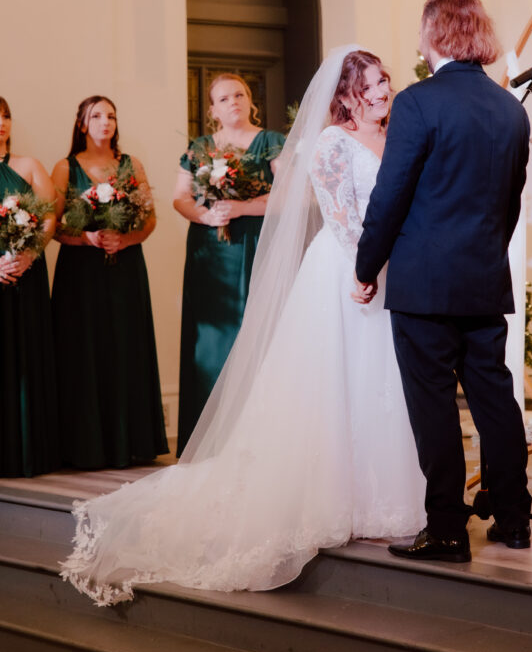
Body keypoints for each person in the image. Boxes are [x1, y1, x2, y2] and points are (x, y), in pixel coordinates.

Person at [60, 48, 425, 604]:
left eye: (386, 82)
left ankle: (384, 496)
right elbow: (339, 212)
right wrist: (365, 268)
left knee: (382, 382)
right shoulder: (330, 142)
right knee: (337, 382)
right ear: (348, 93)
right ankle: (330, 496)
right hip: (348, 270)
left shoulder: (398, 136)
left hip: (390, 271)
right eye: (373, 84)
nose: (384, 91)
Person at [355, 0, 532, 560]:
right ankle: (513, 519)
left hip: (425, 285)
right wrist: (483, 255)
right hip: (483, 280)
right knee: (496, 403)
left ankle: (450, 530)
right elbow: (510, 202)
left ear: (433, 33)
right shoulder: (510, 108)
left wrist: (366, 266)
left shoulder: (417, 103)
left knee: (433, 407)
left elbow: (390, 197)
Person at [51, 96, 168, 469]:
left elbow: (149, 219)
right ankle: (84, 447)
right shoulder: (65, 168)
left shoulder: (131, 165)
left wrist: (126, 239)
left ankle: (127, 443)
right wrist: (85, 238)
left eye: (111, 116)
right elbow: (52, 226)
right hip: (80, 276)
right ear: (82, 124)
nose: (106, 122)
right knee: (83, 349)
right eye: (97, 116)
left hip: (125, 269)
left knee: (124, 346)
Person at [173, 74, 284, 454]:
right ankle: (206, 438)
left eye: (239, 95)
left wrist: (242, 207)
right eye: (223, 98)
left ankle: (253, 438)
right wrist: (207, 217)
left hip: (254, 243)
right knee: (210, 338)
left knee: (251, 330)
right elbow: (180, 198)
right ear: (212, 109)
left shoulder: (271, 142)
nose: (232, 101)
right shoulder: (200, 147)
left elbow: (290, 198)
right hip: (209, 249)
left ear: (250, 100)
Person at [0, 97, 61, 477]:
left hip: (27, 273)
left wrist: (30, 253)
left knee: (27, 355)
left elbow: (50, 215)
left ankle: (28, 453)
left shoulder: (29, 165)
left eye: (4, 116)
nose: (0, 123)